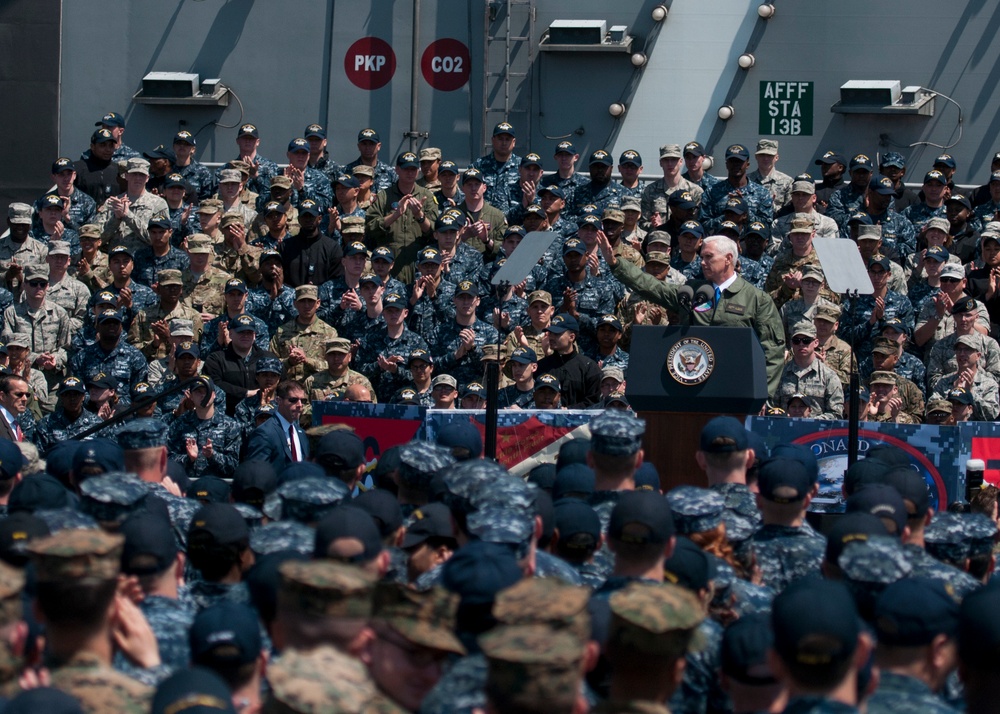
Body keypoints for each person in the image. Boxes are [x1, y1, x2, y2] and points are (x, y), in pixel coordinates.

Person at [600, 231, 785, 396]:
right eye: (702, 257)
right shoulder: (691, 291)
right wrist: (616, 263)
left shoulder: (756, 299)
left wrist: (763, 396)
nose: (702, 262)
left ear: (728, 258)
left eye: (708, 257)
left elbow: (772, 352)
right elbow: (651, 286)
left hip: (736, 388)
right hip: (692, 386)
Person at [19, 529, 155, 710]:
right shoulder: (148, 702)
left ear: (37, 610)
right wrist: (152, 666)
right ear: (117, 610)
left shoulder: (16, 701)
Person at [95, 157, 168, 253]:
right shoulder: (112, 203)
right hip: (116, 262)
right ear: (126, 176)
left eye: (141, 175)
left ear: (147, 178)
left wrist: (128, 215)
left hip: (145, 263)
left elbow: (159, 240)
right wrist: (116, 219)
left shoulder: (158, 204)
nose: (137, 178)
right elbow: (98, 240)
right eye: (134, 174)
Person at [777, 321, 845, 419]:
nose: (801, 344)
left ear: (816, 343)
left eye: (806, 340)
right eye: (797, 340)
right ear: (792, 343)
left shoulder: (829, 376)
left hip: (817, 432)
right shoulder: (780, 375)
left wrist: (810, 423)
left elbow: (836, 413)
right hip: (785, 431)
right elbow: (771, 408)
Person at [536, 314, 601, 408]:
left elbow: (594, 402)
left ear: (571, 337)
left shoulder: (589, 367)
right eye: (550, 333)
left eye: (557, 334)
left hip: (580, 422)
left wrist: (568, 411)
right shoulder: (541, 366)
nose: (552, 337)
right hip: (545, 421)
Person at [246, 379, 310, 472]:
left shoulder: (301, 433)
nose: (299, 405)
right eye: (293, 400)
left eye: (303, 400)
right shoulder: (264, 433)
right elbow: (257, 473)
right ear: (279, 401)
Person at [748, 139, 793, 209]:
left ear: (776, 157)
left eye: (770, 155)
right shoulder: (747, 180)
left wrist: (770, 205)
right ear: (756, 157)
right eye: (762, 155)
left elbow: (788, 210)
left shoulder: (787, 181)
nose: (766, 158)